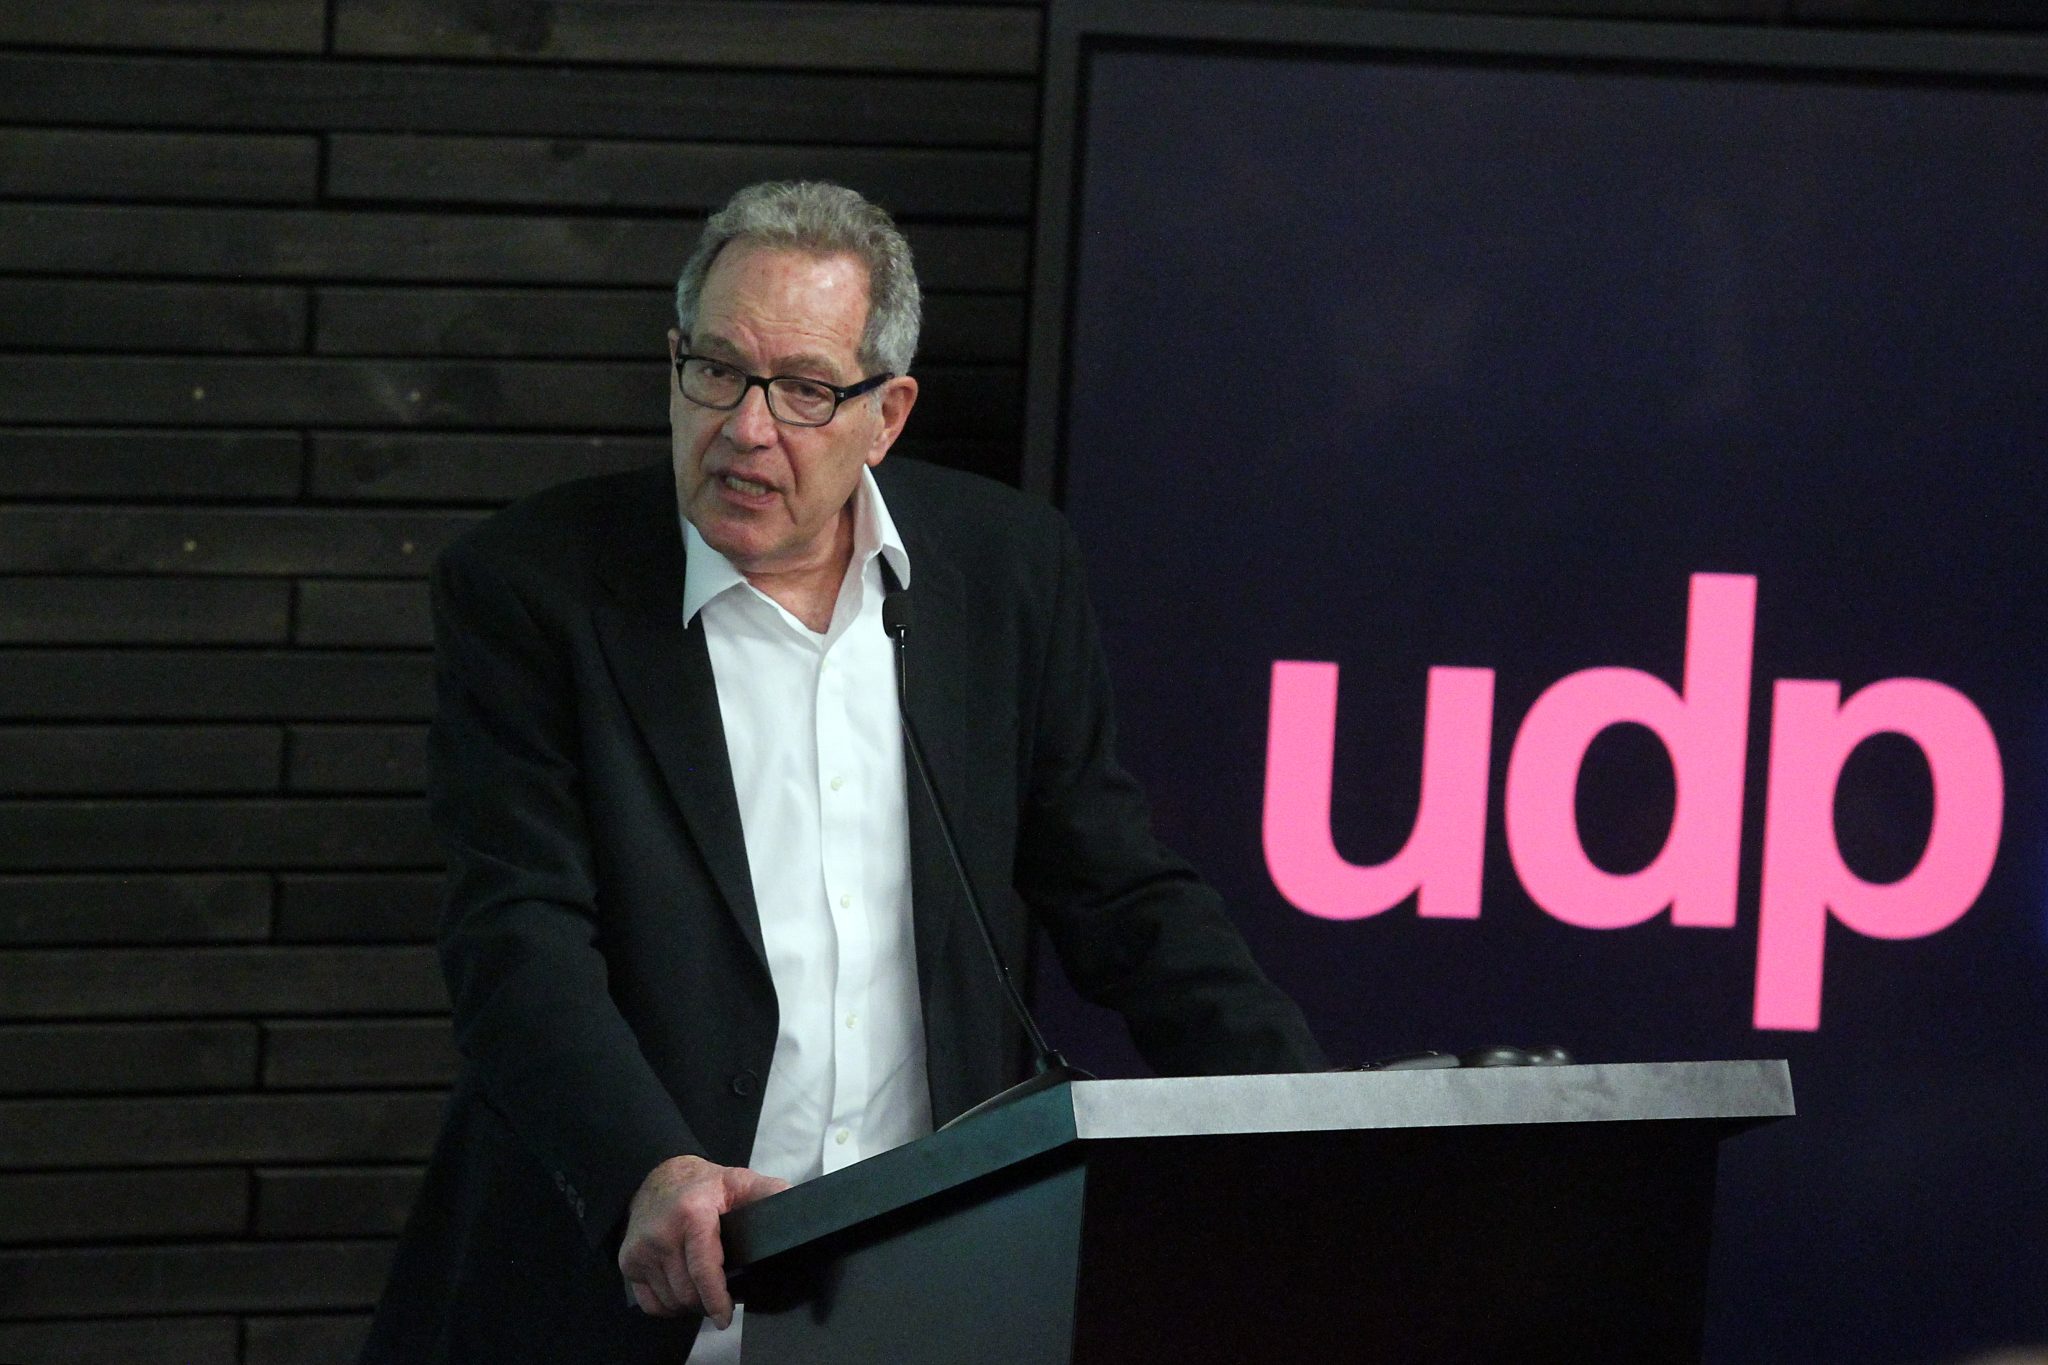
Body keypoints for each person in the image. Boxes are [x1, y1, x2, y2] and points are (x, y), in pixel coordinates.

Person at [360, 181, 1323, 1363]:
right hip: (631, 1289)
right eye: (716, 370)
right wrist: (646, 1170)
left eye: (804, 390)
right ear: (673, 363)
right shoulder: (531, 589)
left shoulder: (1001, 571)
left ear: (886, 412)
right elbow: (517, 938)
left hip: (922, 1286)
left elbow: (1116, 890)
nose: (745, 427)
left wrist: (1301, 1117)